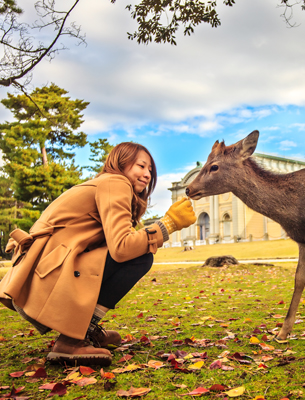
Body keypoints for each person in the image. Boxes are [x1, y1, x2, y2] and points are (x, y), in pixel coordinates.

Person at [0, 142, 197, 366]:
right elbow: (123, 247)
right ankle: (73, 339)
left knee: (139, 251)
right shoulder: (116, 182)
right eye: (141, 166)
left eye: (150, 170)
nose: (147, 174)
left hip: (42, 272)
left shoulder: (104, 184)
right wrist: (168, 224)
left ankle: (82, 329)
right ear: (121, 163)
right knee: (140, 257)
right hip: (48, 274)